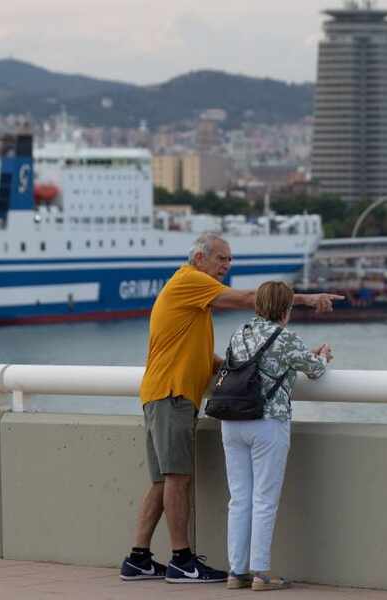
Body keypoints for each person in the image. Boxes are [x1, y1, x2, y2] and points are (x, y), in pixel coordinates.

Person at [120, 232, 340, 584]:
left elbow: (209, 358)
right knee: (177, 477)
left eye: (229, 259)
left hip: (160, 392)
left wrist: (241, 369)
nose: (227, 265)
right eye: (221, 258)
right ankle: (181, 560)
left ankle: (138, 558)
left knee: (163, 480)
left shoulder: (194, 300)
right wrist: (307, 298)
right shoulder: (190, 281)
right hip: (172, 394)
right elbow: (254, 298)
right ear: (199, 258)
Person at [221, 281, 330, 591]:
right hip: (268, 423)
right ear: (286, 308)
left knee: (239, 498)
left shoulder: (239, 333)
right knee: (264, 499)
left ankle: (236, 571)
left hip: (232, 420)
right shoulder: (285, 338)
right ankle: (260, 573)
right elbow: (315, 370)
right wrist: (322, 355)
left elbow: (255, 363)